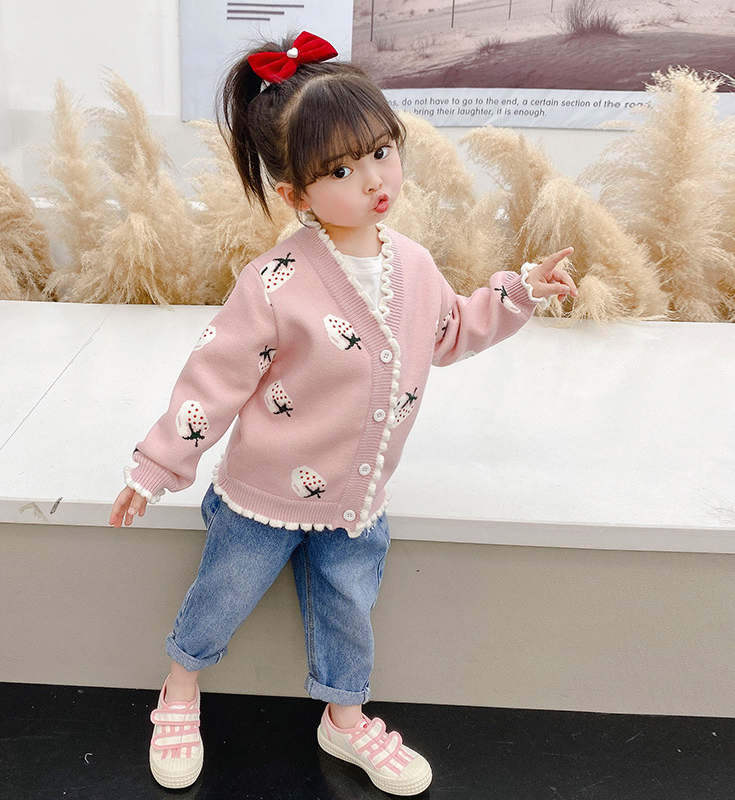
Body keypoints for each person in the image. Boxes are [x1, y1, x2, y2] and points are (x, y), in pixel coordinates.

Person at [109, 30, 577, 796]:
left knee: (348, 610)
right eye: (340, 170)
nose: (374, 180)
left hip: (357, 500)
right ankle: (181, 686)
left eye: (382, 152)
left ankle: (345, 716)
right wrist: (157, 466)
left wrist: (519, 291)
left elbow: (450, 331)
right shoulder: (274, 282)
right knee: (222, 596)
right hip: (263, 497)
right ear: (294, 194)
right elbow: (214, 378)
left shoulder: (414, 266)